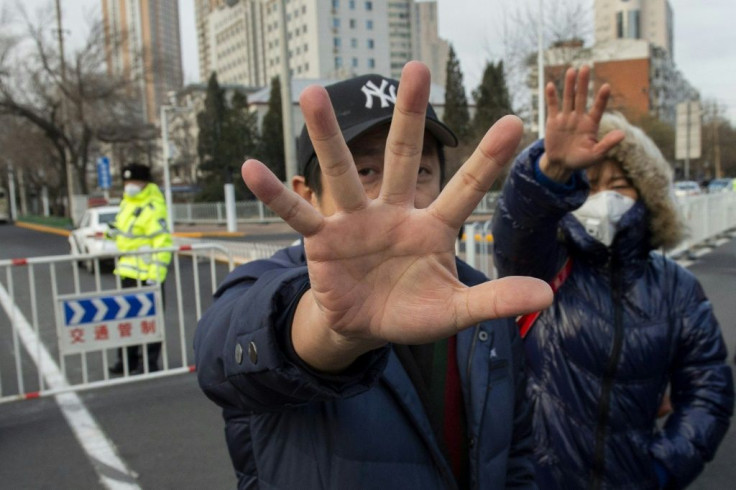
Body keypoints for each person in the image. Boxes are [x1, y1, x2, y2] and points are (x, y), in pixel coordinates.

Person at [194, 62, 554, 489]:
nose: (391, 194)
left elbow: (514, 455)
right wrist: (330, 330)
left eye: (420, 172)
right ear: (306, 192)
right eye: (365, 171)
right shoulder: (264, 284)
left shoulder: (480, 300)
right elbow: (221, 356)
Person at [492, 66, 734, 489]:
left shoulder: (676, 290)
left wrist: (661, 468)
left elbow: (708, 392)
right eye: (589, 184)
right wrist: (550, 169)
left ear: (649, 196)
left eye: (619, 184)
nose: (603, 199)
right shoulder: (545, 265)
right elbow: (517, 228)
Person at [108, 163, 173, 375]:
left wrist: (156, 276)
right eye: (127, 182)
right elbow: (125, 234)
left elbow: (162, 243)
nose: (129, 186)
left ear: (145, 183)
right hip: (126, 272)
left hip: (147, 275)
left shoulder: (153, 206)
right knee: (126, 320)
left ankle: (150, 363)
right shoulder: (126, 203)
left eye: (133, 181)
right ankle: (127, 362)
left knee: (150, 322)